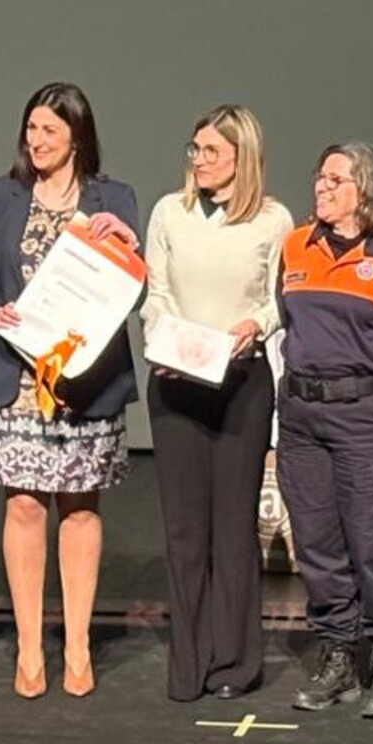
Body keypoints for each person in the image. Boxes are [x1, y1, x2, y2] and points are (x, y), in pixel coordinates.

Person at [0, 83, 142, 698]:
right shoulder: (3, 194)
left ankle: (76, 645)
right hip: (19, 379)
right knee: (23, 507)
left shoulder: (113, 200)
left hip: (84, 384)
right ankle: (28, 648)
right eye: (31, 129)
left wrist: (127, 248)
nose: (37, 141)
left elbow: (133, 292)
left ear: (77, 136)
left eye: (49, 130)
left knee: (79, 509)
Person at [143, 105, 292, 702]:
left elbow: (281, 299)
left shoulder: (273, 220)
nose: (199, 160)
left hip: (241, 383)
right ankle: (189, 663)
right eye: (195, 149)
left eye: (213, 151)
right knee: (184, 532)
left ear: (243, 157)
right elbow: (155, 292)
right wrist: (164, 337)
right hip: (176, 380)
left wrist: (256, 324)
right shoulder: (169, 212)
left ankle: (233, 663)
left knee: (233, 528)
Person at [274, 142, 373, 719]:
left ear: (369, 190)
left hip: (367, 416)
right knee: (317, 544)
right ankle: (337, 655)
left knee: (371, 542)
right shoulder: (295, 246)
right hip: (301, 416)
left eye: (337, 179)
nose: (322, 186)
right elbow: (286, 321)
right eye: (321, 176)